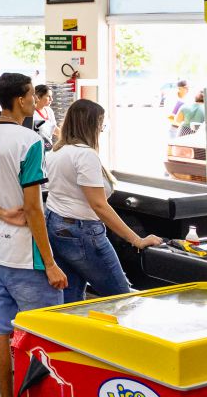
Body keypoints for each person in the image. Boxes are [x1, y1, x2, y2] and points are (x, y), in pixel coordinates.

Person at [0, 72, 67, 397]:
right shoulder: (30, 142)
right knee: (46, 334)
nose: (35, 101)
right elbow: (34, 209)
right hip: (27, 257)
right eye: (32, 96)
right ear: (21, 100)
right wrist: (50, 263)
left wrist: (1, 213)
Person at [44, 99, 162, 303]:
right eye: (100, 124)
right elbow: (98, 205)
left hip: (57, 227)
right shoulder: (85, 155)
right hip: (83, 232)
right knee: (121, 299)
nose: (101, 130)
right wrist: (137, 240)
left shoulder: (56, 151)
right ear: (90, 125)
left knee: (71, 302)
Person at [33, 84, 56, 150]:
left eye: (51, 96)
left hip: (48, 147)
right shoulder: (31, 113)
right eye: (48, 96)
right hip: (36, 148)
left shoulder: (49, 110)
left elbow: (54, 129)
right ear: (38, 97)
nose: (51, 99)